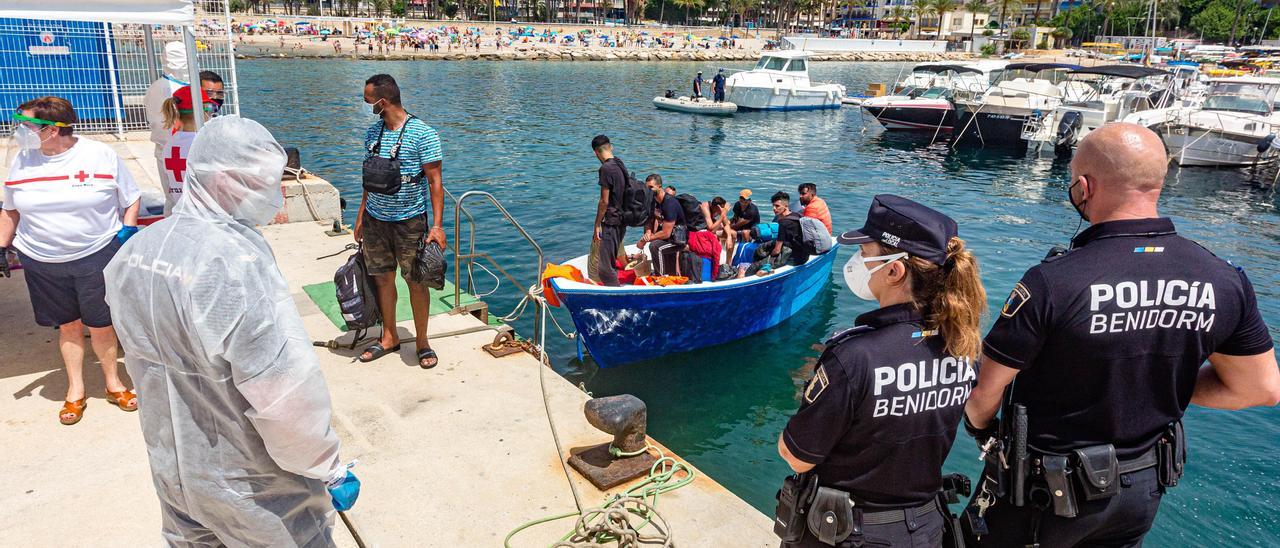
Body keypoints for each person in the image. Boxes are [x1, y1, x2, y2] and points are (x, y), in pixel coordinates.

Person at [963, 124, 1280, 547]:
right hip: (1138, 493)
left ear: (1084, 186)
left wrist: (981, 429)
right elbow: (1260, 388)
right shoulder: (1222, 279)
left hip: (1045, 498)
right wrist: (1163, 383)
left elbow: (986, 390)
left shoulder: (1053, 283)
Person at [103, 114, 360, 547]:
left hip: (178, 470)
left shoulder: (138, 251)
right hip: (253, 485)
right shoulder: (233, 262)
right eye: (269, 181)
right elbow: (281, 391)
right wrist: (327, 465)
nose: (277, 195)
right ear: (225, 180)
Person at [777, 194, 986, 548]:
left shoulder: (854, 357)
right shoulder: (963, 347)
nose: (857, 261)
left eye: (865, 253)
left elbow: (797, 456)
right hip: (926, 530)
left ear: (894, 270)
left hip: (849, 533)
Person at [1, 96, 140, 426]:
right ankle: (75, 390)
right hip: (42, 259)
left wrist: (127, 233)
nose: (21, 131)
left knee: (102, 324)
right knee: (68, 325)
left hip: (96, 254)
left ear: (53, 129)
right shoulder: (22, 161)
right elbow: (10, 209)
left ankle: (113, 384)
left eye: (29, 125)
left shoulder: (99, 154)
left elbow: (131, 198)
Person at [355, 74, 446, 368]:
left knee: (415, 282)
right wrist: (360, 217)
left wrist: (437, 226)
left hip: (410, 222)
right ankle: (389, 336)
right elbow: (368, 181)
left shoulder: (423, 134)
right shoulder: (372, 135)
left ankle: (422, 342)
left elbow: (435, 183)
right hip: (375, 221)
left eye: (369, 100)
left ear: (383, 101)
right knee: (383, 279)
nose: (367, 104)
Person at [159, 86, 212, 215]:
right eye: (210, 108)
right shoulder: (203, 144)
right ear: (202, 110)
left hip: (182, 211)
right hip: (203, 213)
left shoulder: (170, 144)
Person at [144, 42, 190, 185]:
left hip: (163, 148)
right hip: (184, 148)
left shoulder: (155, 86)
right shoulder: (181, 90)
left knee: (171, 194)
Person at [590, 134, 630, 287]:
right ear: (610, 147)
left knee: (605, 268)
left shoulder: (605, 168)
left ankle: (617, 299)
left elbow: (604, 201)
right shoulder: (620, 163)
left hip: (612, 221)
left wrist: (597, 225)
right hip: (622, 219)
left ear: (596, 152)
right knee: (611, 261)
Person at [639, 174, 685, 276]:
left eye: (651, 187)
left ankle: (661, 277)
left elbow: (666, 233)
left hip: (678, 239)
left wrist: (645, 240)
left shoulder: (670, 204)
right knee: (657, 244)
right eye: (647, 187)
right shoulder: (652, 200)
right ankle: (670, 275)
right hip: (668, 237)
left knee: (655, 246)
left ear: (659, 186)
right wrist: (648, 232)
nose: (648, 190)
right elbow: (649, 218)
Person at [770, 191, 812, 266]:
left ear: (786, 205)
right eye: (773, 205)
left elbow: (777, 251)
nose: (774, 208)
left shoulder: (783, 223)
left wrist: (769, 255)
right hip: (805, 255)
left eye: (777, 206)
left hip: (796, 259)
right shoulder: (797, 215)